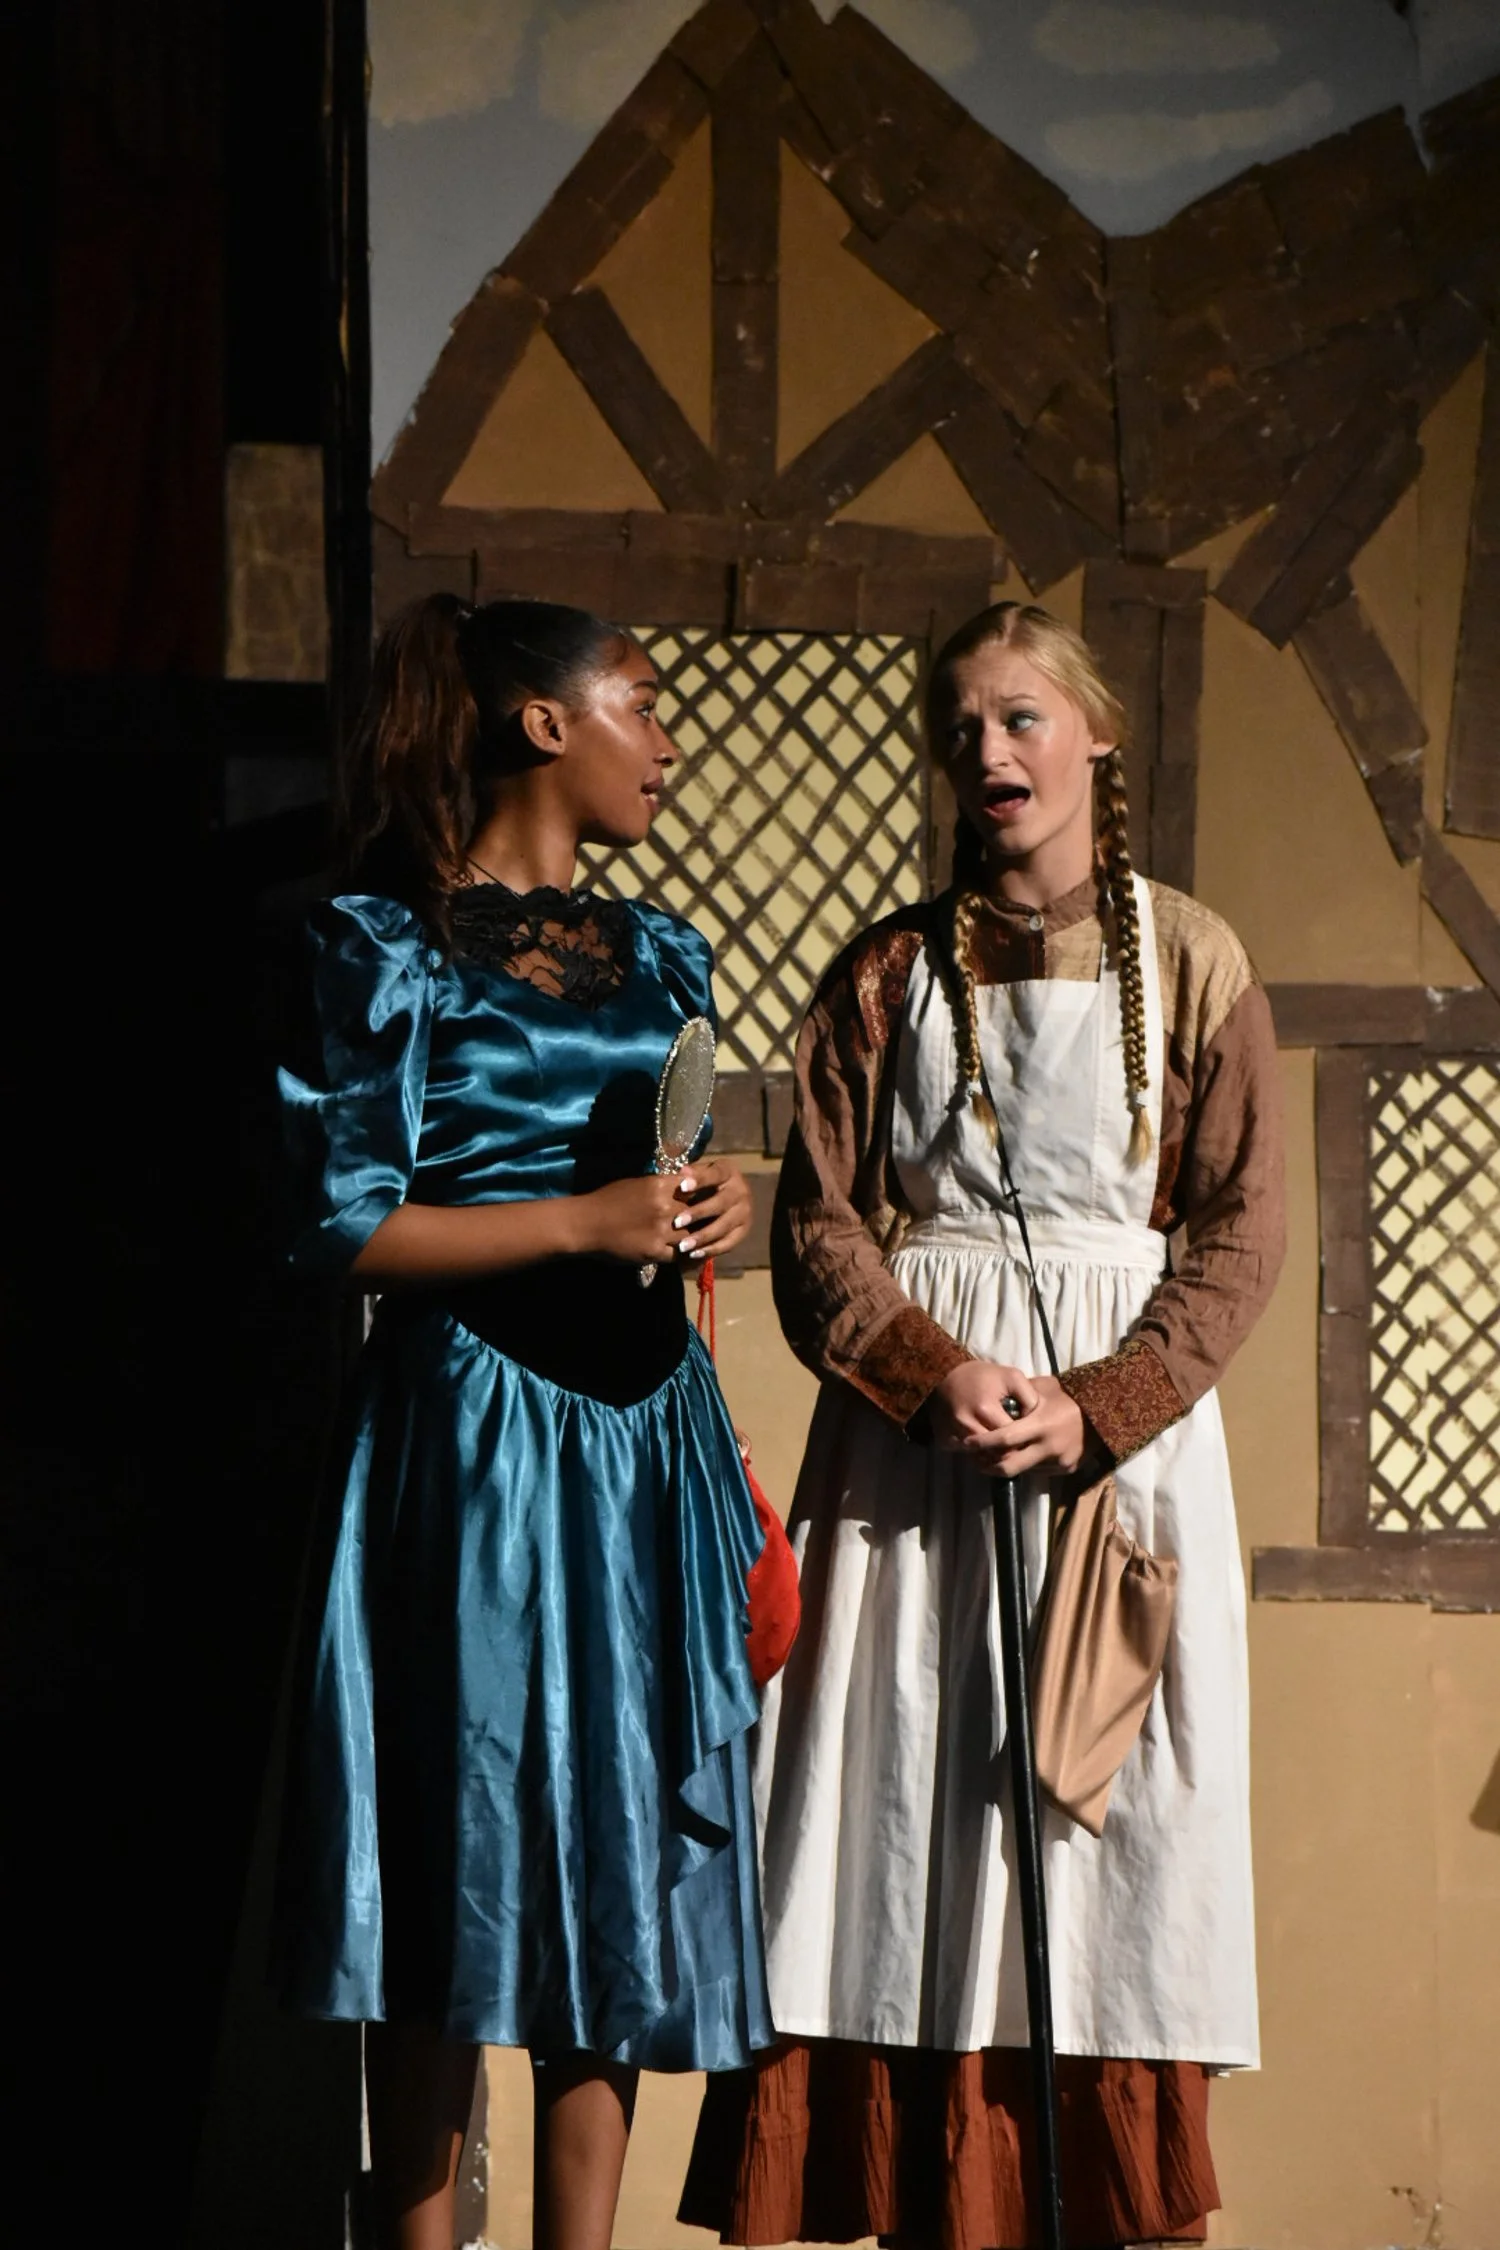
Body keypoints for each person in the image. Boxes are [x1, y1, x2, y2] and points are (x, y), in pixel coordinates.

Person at [682, 600, 1285, 2250]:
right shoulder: (885, 972)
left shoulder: (1199, 958)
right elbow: (821, 1222)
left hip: (1115, 1470)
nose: (988, 749)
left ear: (1097, 736)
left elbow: (1241, 1232)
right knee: (905, 1819)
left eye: (1021, 717)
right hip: (917, 1469)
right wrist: (933, 1371)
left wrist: (1098, 1406)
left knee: (1107, 1845)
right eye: (961, 725)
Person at [274, 595, 773, 2250]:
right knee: (454, 1850)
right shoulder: (387, 942)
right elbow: (342, 1222)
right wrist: (581, 1221)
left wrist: (713, 1204)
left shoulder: (665, 950)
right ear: (544, 724)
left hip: (640, 1442)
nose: (669, 739)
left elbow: (665, 1174)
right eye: (644, 699)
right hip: (476, 1444)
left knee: (613, 1864)